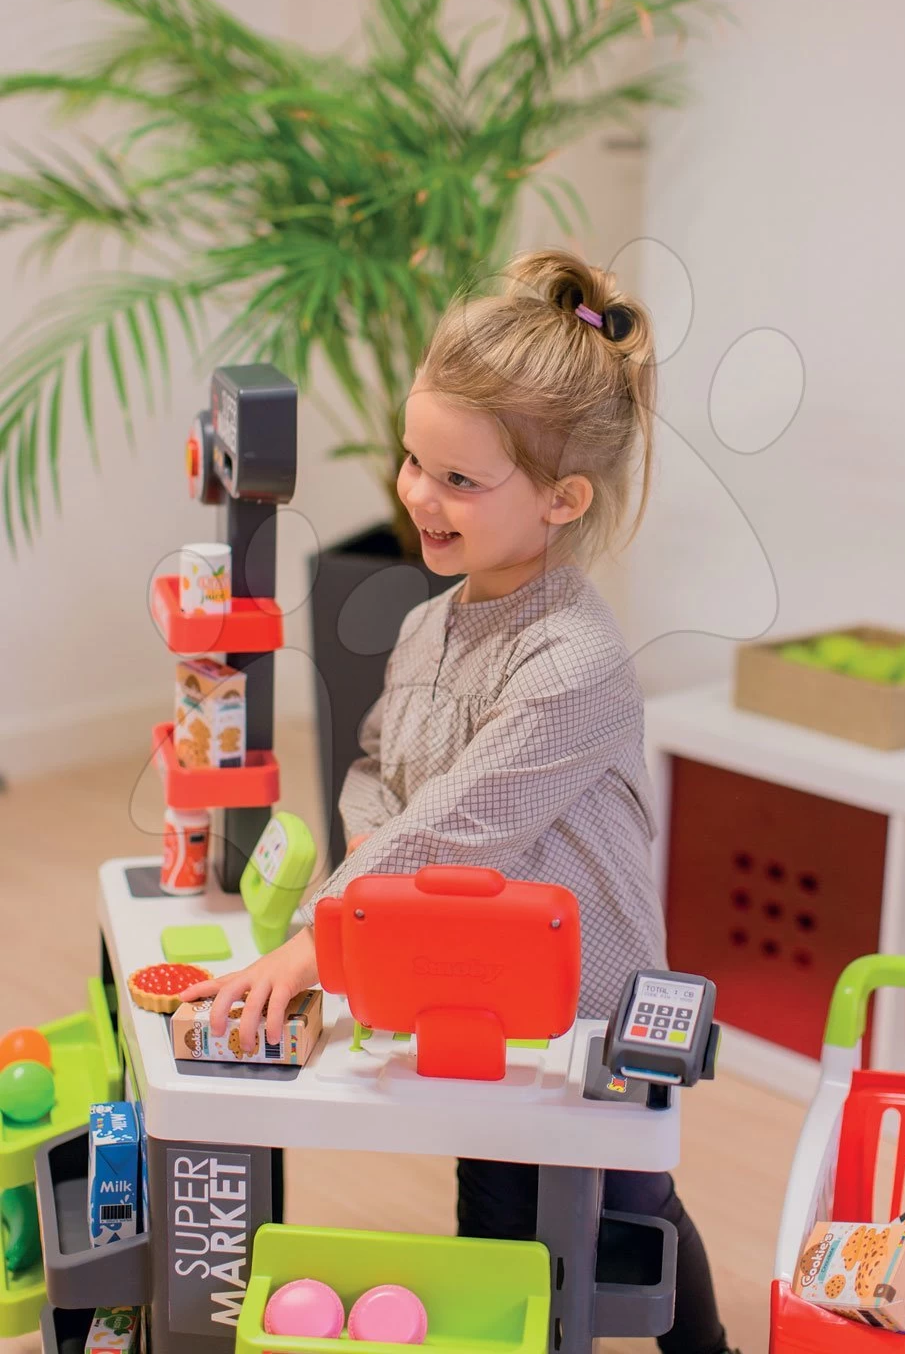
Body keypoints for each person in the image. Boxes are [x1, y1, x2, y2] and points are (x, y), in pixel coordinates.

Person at [180, 248, 739, 1354]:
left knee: (623, 1208)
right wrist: (366, 853)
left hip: (585, 1010)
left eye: (458, 481)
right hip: (473, 983)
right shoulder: (427, 623)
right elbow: (378, 769)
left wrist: (318, 942)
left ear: (562, 500)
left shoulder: (573, 660)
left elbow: (462, 823)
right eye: (412, 459)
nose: (417, 496)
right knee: (491, 1195)